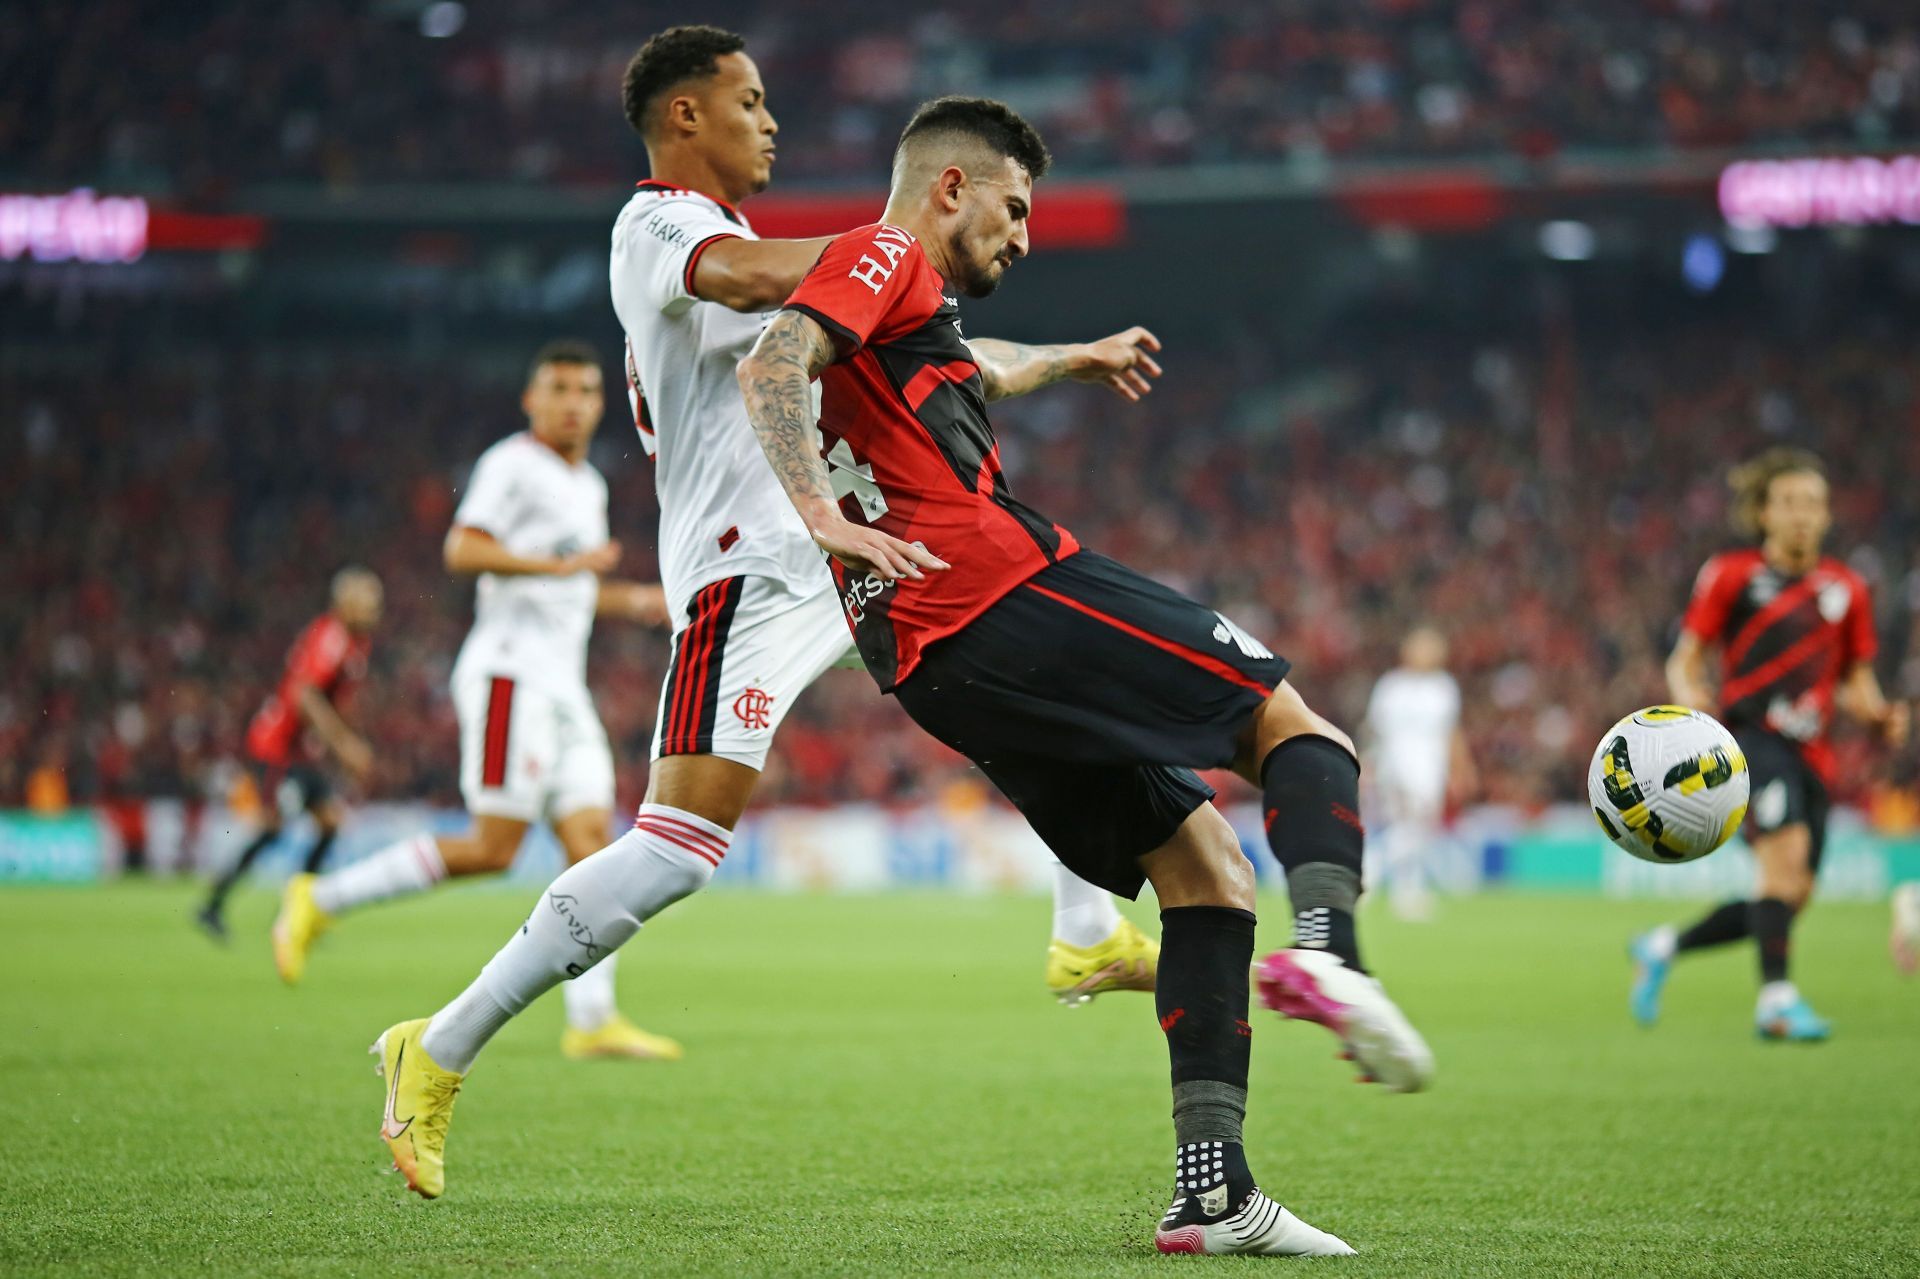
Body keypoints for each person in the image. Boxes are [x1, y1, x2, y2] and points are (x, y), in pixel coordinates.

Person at [729, 96, 1434, 1253]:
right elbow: (774, 360)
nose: (1024, 233)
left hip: (929, 657)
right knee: (1294, 725)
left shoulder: (906, 302)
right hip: (996, 583)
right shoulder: (882, 252)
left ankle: (1212, 1195)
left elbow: (974, 368)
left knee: (1206, 873)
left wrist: (1076, 357)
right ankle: (1334, 954)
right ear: (950, 186)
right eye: (1014, 207)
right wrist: (821, 514)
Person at [272, 341, 683, 1062]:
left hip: (564, 684)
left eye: (587, 390)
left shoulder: (587, 483)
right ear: (531, 399)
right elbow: (463, 550)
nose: (574, 402)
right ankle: (319, 898)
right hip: (508, 675)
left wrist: (632, 598)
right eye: (558, 388)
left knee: (593, 842)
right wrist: (563, 565)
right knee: (495, 847)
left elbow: (570, 585)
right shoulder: (511, 464)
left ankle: (592, 1018)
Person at [1632, 448, 1909, 1040]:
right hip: (1750, 743)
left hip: (1814, 755)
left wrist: (1879, 714)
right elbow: (1687, 656)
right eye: (1788, 503)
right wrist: (1689, 699)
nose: (1801, 515)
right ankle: (1776, 1003)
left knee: (1790, 894)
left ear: (1828, 515)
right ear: (1762, 513)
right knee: (1781, 872)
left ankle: (1662, 945)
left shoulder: (1847, 588)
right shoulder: (1732, 574)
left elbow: (1855, 677)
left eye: (1813, 503)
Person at [196, 568, 381, 940]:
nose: (375, 610)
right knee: (273, 828)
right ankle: (212, 906)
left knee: (330, 824)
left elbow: (336, 700)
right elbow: (304, 694)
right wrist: (343, 745)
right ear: (343, 604)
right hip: (278, 747)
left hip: (304, 753)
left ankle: (301, 910)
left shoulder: (357, 643)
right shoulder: (332, 636)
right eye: (367, 602)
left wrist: (348, 740)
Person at [1363, 626, 1475, 920]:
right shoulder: (1391, 686)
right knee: (1414, 827)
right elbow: (1374, 730)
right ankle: (1370, 868)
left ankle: (1407, 893)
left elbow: (1452, 733)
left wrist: (1461, 768)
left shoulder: (1443, 687)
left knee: (1414, 829)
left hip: (1429, 766)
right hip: (1395, 766)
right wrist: (1369, 764)